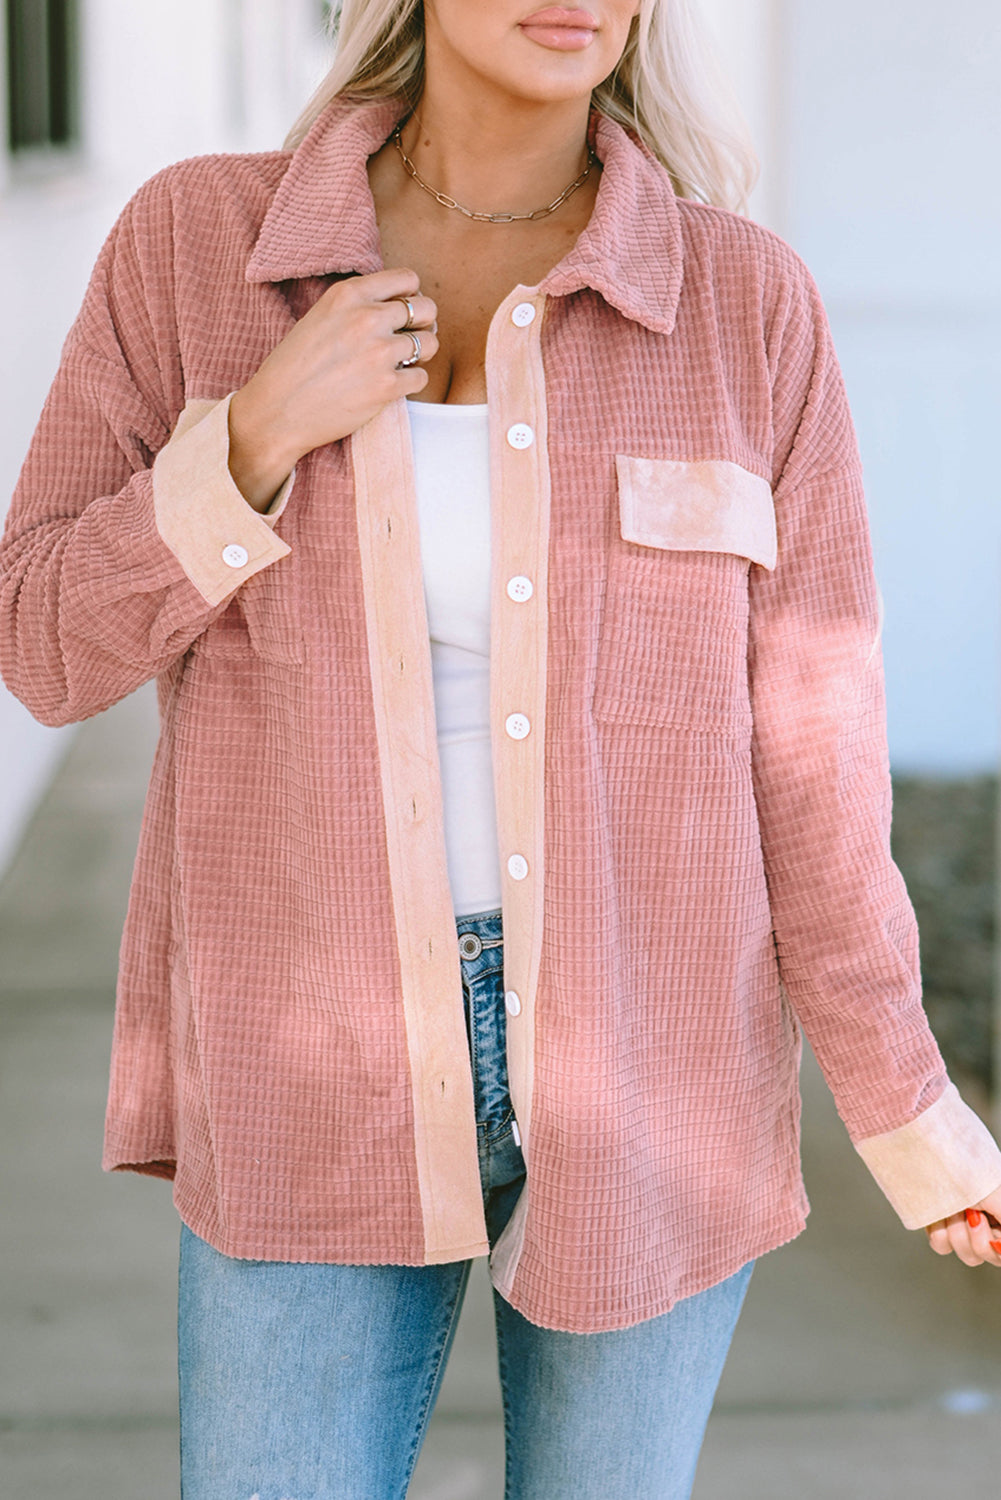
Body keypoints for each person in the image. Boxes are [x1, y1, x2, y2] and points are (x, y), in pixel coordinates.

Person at [2, 1, 1000, 1495]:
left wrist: (908, 1112)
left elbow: (809, 754)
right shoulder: (196, 245)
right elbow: (41, 645)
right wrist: (255, 437)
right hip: (309, 1054)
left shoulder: (743, 305)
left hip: (660, 1053)